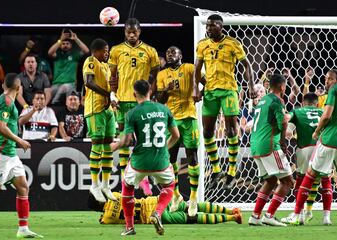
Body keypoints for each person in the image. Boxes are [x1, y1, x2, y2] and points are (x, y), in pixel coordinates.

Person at [284, 60, 337, 225]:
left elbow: (327, 115)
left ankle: (296, 215)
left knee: (310, 176)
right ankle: (331, 216)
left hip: (328, 140)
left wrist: (317, 131)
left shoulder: (336, 89)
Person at [193, 14, 256, 189]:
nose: (208, 28)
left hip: (229, 91)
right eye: (207, 25)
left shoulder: (233, 43)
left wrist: (250, 86)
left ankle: (232, 171)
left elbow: (247, 65)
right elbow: (197, 69)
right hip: (211, 92)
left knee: (230, 131)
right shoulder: (202, 45)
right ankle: (215, 169)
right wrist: (195, 88)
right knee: (207, 132)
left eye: (212, 25)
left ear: (220, 26)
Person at [110, 80, 180, 236]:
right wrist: (163, 148)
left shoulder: (132, 113)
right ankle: (158, 212)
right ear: (150, 91)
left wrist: (114, 147)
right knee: (169, 185)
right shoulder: (164, 109)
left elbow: (127, 141)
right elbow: (176, 136)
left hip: (139, 162)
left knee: (127, 187)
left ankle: (129, 227)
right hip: (161, 162)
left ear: (135, 94)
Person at [108, 18, 160, 194]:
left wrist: (148, 90)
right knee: (124, 139)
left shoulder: (150, 51)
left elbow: (155, 73)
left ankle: (144, 178)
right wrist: (112, 94)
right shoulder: (116, 51)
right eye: (128, 32)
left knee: (142, 139)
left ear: (139, 32)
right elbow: (112, 77)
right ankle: (126, 178)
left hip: (140, 101)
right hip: (122, 100)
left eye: (134, 31)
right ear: (124, 32)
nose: (131, 34)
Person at [0, 73, 43, 238]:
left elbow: (13, 123)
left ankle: (23, 229)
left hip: (11, 154)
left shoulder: (8, 101)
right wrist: (19, 140)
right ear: (18, 86)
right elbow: (1, 127)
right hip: (1, 152)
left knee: (23, 186)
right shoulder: (5, 101)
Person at [156, 46, 200, 216]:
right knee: (170, 159)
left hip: (189, 118)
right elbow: (159, 99)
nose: (170, 55)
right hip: (171, 121)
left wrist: (199, 92)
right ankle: (176, 195)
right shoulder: (161, 74)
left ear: (181, 55)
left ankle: (194, 199)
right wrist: (166, 89)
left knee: (192, 158)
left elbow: (205, 80)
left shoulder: (189, 68)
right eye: (167, 53)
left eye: (173, 53)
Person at [248, 74, 294, 227]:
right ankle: (269, 215)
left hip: (255, 145)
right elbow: (283, 122)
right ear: (282, 86)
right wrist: (283, 142)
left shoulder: (262, 101)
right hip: (269, 145)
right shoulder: (276, 100)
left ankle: (255, 216)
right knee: (287, 181)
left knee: (271, 180)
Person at [300, 68, 337, 222]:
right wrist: (306, 82)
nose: (326, 81)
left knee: (336, 178)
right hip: (327, 139)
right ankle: (310, 211)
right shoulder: (324, 97)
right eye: (326, 78)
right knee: (320, 176)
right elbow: (306, 103)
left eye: (330, 79)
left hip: (336, 139)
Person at [281, 93, 329, 224]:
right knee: (325, 180)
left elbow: (289, 131)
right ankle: (326, 218)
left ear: (303, 103)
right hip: (322, 148)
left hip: (304, 149)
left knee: (302, 181)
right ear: (317, 103)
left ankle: (300, 215)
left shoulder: (297, 111)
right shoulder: (324, 111)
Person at [83, 38, 116, 203]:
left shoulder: (106, 65)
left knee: (108, 146)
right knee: (97, 145)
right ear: (96, 51)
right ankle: (94, 185)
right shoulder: (91, 61)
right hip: (94, 108)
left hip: (108, 109)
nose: (107, 53)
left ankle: (105, 185)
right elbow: (88, 82)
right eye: (105, 50)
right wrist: (107, 94)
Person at [94, 192, 242, 225]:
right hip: (158, 202)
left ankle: (232, 218)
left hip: (157, 217)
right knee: (192, 206)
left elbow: (104, 220)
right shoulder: (114, 195)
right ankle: (231, 211)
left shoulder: (106, 219)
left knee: (193, 218)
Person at [48, 29, 89, 105]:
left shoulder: (74, 55)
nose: (65, 45)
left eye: (67, 43)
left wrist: (76, 39)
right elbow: (50, 52)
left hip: (70, 84)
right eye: (63, 44)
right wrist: (60, 39)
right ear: (60, 45)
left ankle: (54, 102)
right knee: (48, 92)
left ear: (71, 45)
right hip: (56, 84)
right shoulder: (57, 55)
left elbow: (86, 51)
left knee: (64, 87)